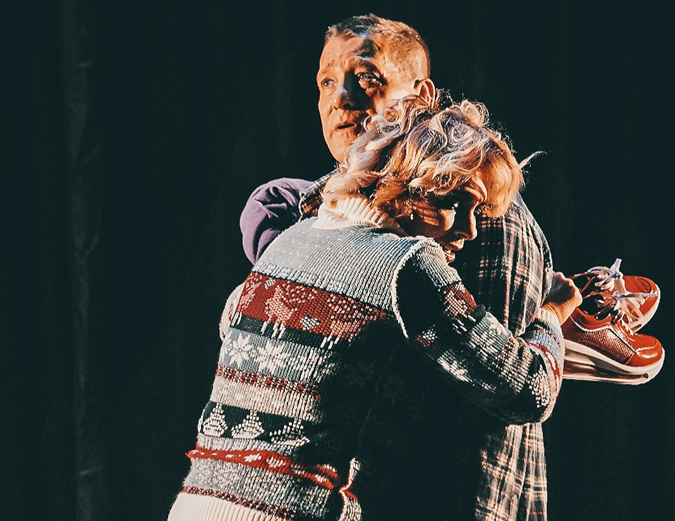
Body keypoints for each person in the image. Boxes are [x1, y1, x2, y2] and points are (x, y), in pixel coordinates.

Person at [169, 94, 580, 521]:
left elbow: (231, 320)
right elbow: (529, 390)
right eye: (454, 203)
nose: (471, 229)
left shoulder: (287, 243)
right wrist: (551, 315)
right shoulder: (408, 265)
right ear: (399, 184)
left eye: (478, 211)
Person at [236, 14, 567, 521]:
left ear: (421, 96)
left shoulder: (477, 210)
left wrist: (547, 324)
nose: (341, 97)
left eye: (366, 77)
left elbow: (484, 430)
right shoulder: (328, 224)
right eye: (326, 81)